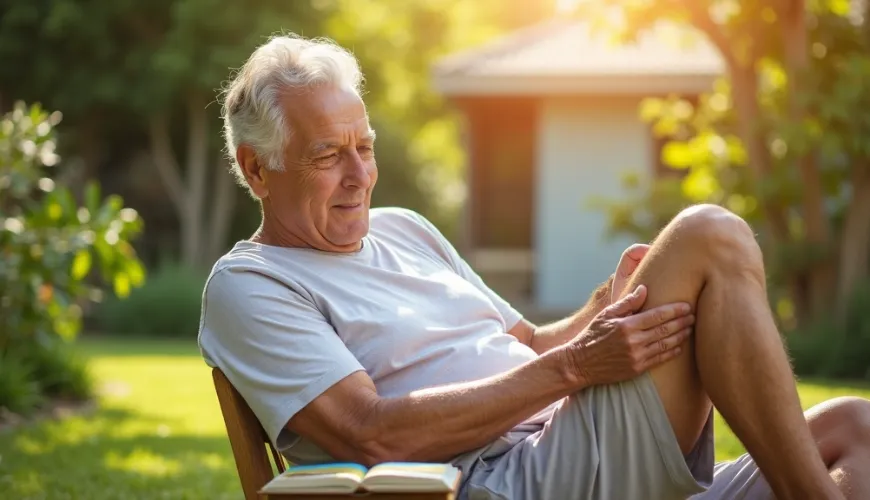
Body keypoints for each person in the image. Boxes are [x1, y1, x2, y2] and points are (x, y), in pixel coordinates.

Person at [198, 34, 870, 500]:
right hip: (493, 480)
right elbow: (368, 433)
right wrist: (577, 367)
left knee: (854, 428)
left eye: (364, 148)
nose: (359, 177)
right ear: (258, 168)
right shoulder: (253, 285)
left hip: (565, 444)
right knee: (709, 235)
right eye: (327, 156)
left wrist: (600, 309)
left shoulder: (404, 230)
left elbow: (525, 346)